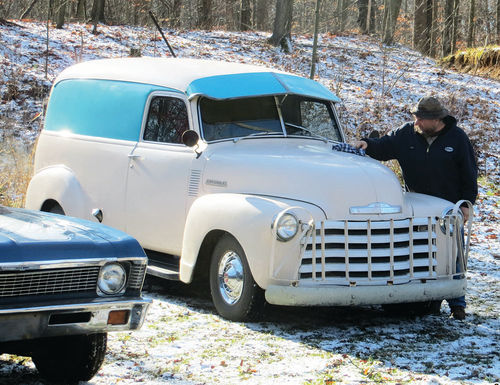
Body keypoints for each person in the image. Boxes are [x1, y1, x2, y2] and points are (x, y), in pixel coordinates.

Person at [354, 95, 478, 320]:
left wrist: (467, 204)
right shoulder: (406, 133)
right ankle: (421, 298)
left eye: (421, 119)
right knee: (419, 253)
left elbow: (469, 172)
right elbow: (384, 146)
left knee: (453, 256)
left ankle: (457, 305)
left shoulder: (457, 139)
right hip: (417, 208)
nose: (417, 123)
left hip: (448, 211)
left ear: (437, 119)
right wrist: (367, 144)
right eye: (415, 118)